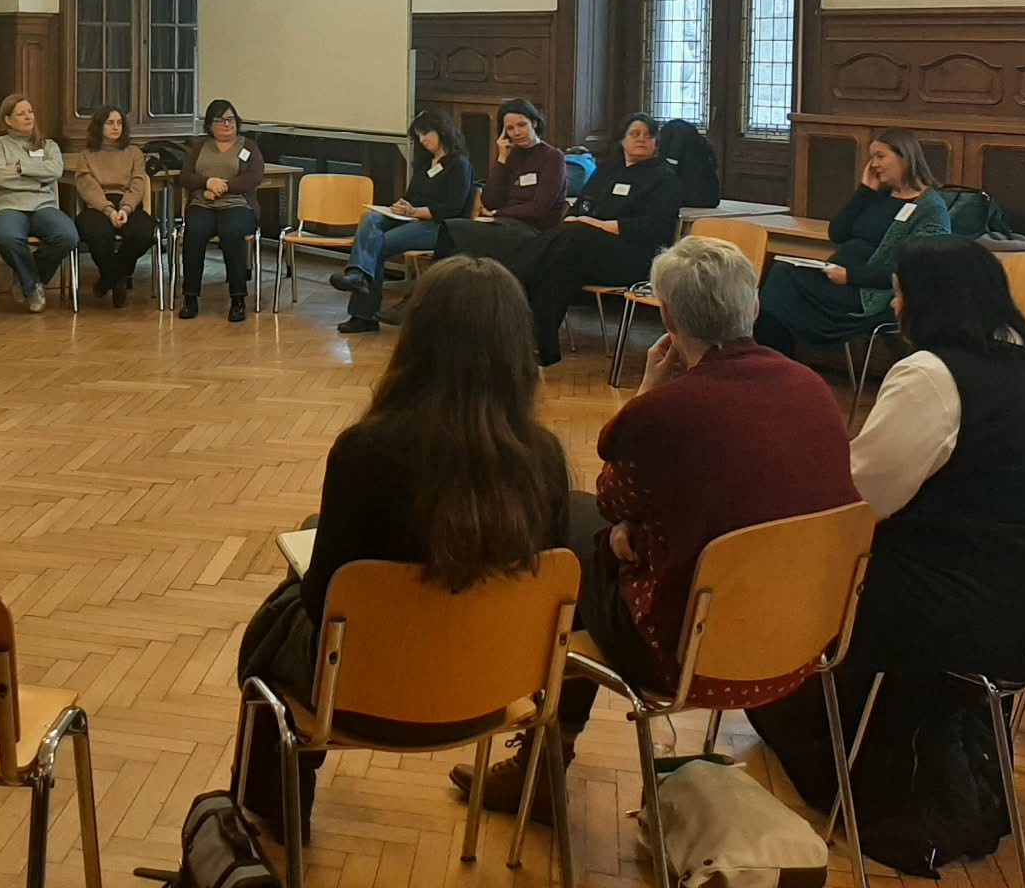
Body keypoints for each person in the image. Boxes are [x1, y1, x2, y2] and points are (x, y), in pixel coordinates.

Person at [453, 235, 857, 815]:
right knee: (599, 540)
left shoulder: (669, 413)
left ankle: (541, 762)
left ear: (666, 317)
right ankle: (541, 761)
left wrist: (645, 397)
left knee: (567, 534)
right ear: (754, 307)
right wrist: (634, 534)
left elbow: (613, 497)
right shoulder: (811, 389)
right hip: (801, 639)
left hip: (688, 653)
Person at [751, 238, 1025, 865]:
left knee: (811, 560)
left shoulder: (933, 374)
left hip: (985, 612)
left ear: (929, 300)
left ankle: (829, 730)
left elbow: (859, 498)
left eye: (899, 293)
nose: (895, 306)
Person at [237, 258, 572, 833]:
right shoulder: (543, 459)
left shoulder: (365, 451)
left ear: (415, 342)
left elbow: (322, 604)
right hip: (492, 689)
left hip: (363, 694)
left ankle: (275, 818)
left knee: (272, 628)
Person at [754, 129, 950, 358]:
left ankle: (772, 360)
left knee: (782, 281)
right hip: (838, 279)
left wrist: (850, 276)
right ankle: (775, 360)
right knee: (781, 275)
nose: (874, 164)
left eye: (880, 156)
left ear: (905, 157)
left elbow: (914, 269)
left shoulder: (930, 208)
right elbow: (837, 233)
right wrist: (864, 191)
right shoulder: (879, 196)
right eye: (872, 157)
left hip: (870, 293)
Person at [512, 113, 681, 367]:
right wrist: (575, 219)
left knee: (572, 238)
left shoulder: (663, 177)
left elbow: (658, 227)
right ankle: (541, 347)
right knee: (557, 267)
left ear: (656, 143)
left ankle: (511, 276)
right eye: (635, 134)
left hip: (636, 257)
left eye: (649, 136)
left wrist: (599, 226)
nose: (642, 139)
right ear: (622, 139)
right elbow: (582, 205)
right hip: (589, 249)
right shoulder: (607, 171)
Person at [330, 109, 473, 334]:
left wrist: (415, 211)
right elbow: (412, 197)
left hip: (441, 227)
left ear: (442, 131)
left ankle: (362, 311)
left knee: (375, 245)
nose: (422, 140)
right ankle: (357, 276)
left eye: (426, 133)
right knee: (370, 218)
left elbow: (453, 208)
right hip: (413, 218)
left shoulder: (459, 164)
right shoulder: (425, 164)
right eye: (419, 135)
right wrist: (402, 206)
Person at [439, 98, 568, 270]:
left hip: (534, 231)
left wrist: (497, 213)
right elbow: (490, 200)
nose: (517, 132)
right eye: (510, 128)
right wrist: (501, 159)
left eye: (522, 125)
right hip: (506, 224)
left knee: (455, 231)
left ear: (534, 123)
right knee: (452, 232)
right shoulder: (511, 155)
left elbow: (540, 208)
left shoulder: (552, 157)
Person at [0, 94, 80, 314]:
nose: (29, 117)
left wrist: (19, 168)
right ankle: (32, 285)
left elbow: (56, 170)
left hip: (43, 205)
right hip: (8, 205)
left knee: (68, 237)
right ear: (8, 120)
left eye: (30, 112)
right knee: (7, 238)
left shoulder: (49, 145)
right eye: (21, 113)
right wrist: (38, 178)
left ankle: (28, 278)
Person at [178, 98, 263, 323]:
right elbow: (185, 176)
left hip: (238, 205)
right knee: (194, 233)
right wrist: (207, 182)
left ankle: (238, 299)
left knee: (231, 233)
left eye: (231, 119)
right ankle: (190, 297)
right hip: (202, 204)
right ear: (210, 124)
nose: (227, 124)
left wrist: (223, 187)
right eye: (221, 120)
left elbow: (254, 176)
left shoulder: (248, 147)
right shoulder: (199, 147)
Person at [70, 105, 155, 307]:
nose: (116, 127)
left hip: (128, 204)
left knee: (143, 232)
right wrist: (109, 211)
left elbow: (138, 184)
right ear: (99, 126)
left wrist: (125, 209)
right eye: (110, 123)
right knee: (97, 234)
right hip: (98, 206)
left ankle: (109, 279)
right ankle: (117, 278)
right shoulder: (86, 155)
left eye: (119, 123)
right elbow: (88, 187)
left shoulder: (134, 153)